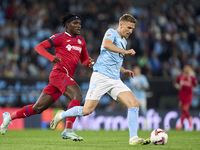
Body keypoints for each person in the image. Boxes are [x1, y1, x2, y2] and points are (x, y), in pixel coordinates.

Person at [50, 14, 151, 145]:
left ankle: (133, 138)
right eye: (129, 27)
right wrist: (125, 52)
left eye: (132, 28)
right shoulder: (111, 33)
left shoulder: (124, 41)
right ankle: (61, 115)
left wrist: (124, 70)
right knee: (87, 110)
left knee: (134, 104)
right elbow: (107, 45)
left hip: (115, 80)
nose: (131, 31)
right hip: (101, 77)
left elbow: (115, 59)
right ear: (121, 25)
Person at [0, 14, 94, 141]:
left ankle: (9, 117)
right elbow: (39, 47)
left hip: (64, 77)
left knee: (38, 108)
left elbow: (84, 60)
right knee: (77, 96)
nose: (78, 26)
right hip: (59, 73)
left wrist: (91, 63)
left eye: (79, 23)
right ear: (68, 25)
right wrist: (51, 58)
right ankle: (68, 130)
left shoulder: (81, 41)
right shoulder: (60, 37)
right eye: (75, 23)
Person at [174, 65, 198, 130]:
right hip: (181, 96)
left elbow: (196, 84)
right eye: (186, 68)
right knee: (183, 110)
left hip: (188, 96)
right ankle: (189, 117)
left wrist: (195, 89)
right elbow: (175, 83)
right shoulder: (180, 77)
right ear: (184, 69)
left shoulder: (192, 78)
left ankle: (180, 125)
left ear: (190, 70)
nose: (187, 70)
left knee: (185, 109)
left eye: (188, 69)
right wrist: (177, 86)